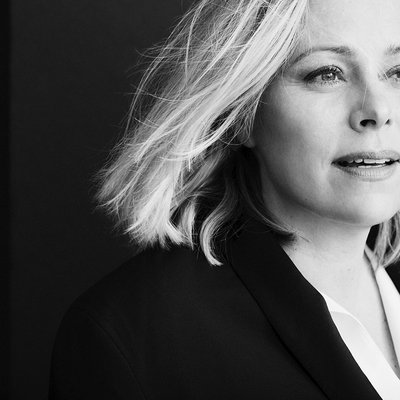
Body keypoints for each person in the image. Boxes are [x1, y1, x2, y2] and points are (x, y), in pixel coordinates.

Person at [49, 0, 400, 398]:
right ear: (244, 113)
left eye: (397, 72)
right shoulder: (132, 341)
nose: (378, 109)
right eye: (327, 74)